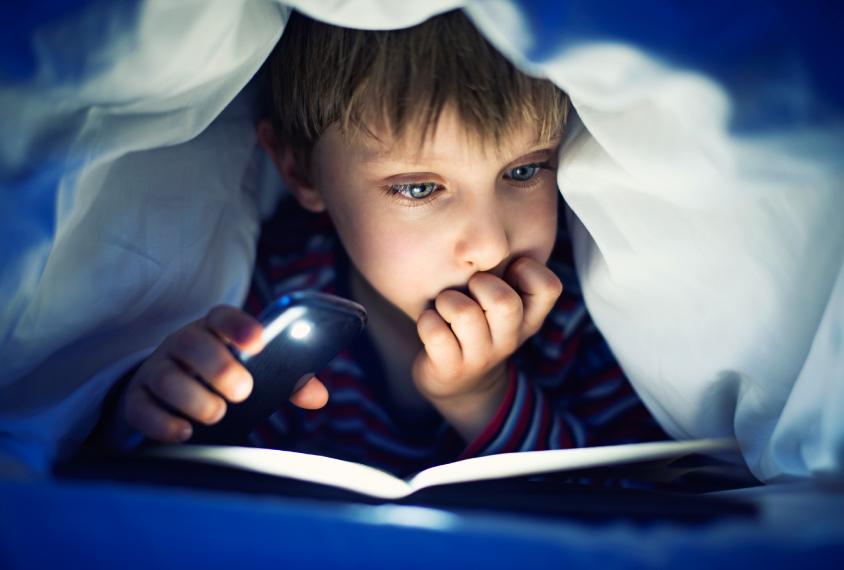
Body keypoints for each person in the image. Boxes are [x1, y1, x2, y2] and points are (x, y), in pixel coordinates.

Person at [112, 10, 665, 476]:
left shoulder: (581, 305)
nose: (492, 247)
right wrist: (171, 414)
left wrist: (481, 397)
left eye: (524, 173)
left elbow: (644, 514)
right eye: (419, 187)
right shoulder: (272, 295)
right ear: (301, 172)